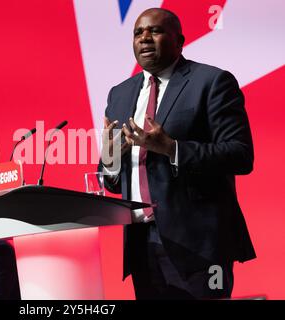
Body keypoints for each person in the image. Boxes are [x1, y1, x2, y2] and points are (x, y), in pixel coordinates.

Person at [101, 8, 256, 299]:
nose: (145, 38)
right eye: (138, 33)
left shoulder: (211, 83)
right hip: (141, 242)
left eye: (155, 31)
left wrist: (172, 148)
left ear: (179, 40)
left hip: (201, 246)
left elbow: (240, 155)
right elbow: (111, 181)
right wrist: (110, 158)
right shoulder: (119, 94)